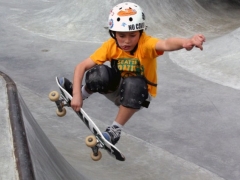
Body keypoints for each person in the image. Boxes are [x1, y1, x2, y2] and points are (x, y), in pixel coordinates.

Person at [59, 2, 205, 145]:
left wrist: (186, 41)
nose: (127, 41)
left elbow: (166, 44)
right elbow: (81, 66)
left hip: (140, 96)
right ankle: (82, 94)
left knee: (133, 83)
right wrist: (77, 94)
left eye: (132, 35)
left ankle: (115, 130)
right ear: (113, 33)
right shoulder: (110, 46)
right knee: (99, 72)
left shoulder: (145, 44)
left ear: (140, 33)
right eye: (121, 36)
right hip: (117, 89)